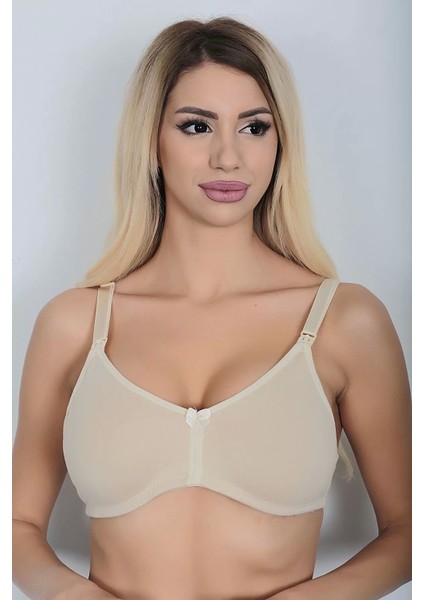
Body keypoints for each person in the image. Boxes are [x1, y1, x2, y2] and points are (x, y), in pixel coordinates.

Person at [12, 15, 411, 600]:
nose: (229, 157)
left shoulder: (344, 321)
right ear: (151, 140)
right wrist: (72, 595)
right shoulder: (74, 325)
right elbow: (17, 526)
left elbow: (408, 531)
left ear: (280, 142)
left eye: (254, 127)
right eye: (197, 126)